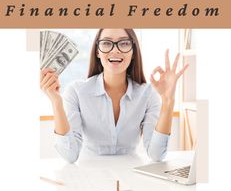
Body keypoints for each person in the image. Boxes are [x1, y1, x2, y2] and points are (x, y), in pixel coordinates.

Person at [40, 29, 188, 163]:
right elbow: (69, 155)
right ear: (97, 51)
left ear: (133, 51)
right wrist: (56, 103)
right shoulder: (76, 92)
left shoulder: (148, 94)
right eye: (106, 43)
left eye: (124, 43)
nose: (115, 50)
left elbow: (156, 154)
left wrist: (168, 102)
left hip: (131, 177)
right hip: (88, 177)